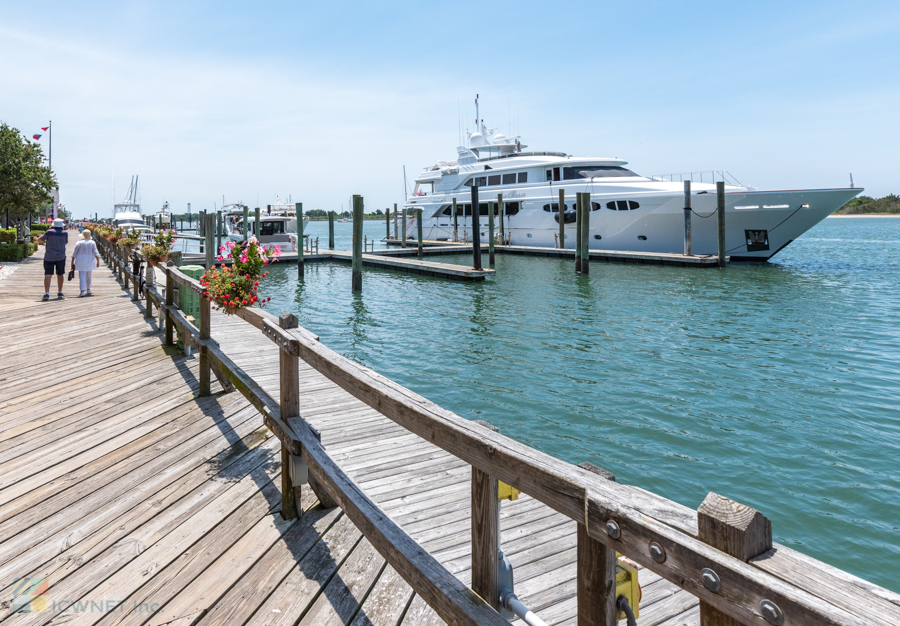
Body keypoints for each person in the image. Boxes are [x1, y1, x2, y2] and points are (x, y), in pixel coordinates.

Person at [39, 218, 69, 300]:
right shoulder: (65, 233)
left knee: (48, 274)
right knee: (60, 274)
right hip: (61, 256)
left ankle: (47, 293)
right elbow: (66, 243)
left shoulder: (49, 232)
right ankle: (60, 291)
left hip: (49, 256)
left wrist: (47, 243)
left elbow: (40, 240)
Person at [71, 228, 100, 297]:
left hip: (80, 261)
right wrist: (98, 261)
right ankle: (88, 288)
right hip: (89, 260)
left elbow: (74, 253)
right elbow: (96, 253)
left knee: (82, 275)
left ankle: (82, 291)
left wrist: (72, 262)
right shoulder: (92, 242)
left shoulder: (79, 242)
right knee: (89, 275)